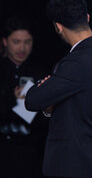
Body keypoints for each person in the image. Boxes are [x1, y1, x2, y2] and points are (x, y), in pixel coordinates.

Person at [25, 0, 92, 178]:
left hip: (74, 166)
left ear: (58, 27)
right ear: (87, 17)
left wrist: (43, 86)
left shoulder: (78, 61)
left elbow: (32, 100)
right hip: (90, 161)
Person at [0, 17, 48, 178]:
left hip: (29, 156)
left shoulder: (39, 73)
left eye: (27, 42)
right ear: (5, 42)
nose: (22, 48)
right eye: (16, 42)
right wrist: (11, 99)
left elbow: (47, 119)